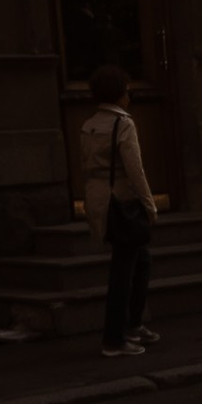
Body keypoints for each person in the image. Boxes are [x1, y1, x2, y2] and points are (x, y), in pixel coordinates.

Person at [81, 59, 158, 359]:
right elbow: (135, 170)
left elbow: (85, 169)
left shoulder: (88, 125)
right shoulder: (123, 123)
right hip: (123, 203)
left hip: (100, 202)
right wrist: (150, 205)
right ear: (119, 93)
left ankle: (134, 325)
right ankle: (115, 338)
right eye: (127, 90)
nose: (129, 96)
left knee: (139, 261)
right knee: (124, 271)